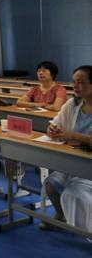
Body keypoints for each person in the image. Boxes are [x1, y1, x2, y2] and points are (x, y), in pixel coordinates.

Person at [39, 65, 92, 236]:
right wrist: (52, 129)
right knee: (51, 184)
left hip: (88, 164)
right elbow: (55, 123)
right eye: (74, 82)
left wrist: (70, 135)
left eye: (81, 82)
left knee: (74, 193)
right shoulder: (73, 104)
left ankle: (86, 229)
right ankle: (62, 216)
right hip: (74, 159)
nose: (75, 86)